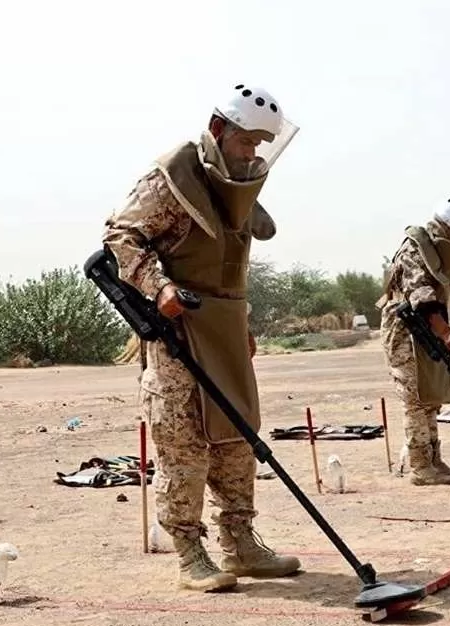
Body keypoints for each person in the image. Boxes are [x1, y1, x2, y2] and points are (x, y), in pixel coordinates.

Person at [102, 83, 301, 592]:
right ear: (218, 130)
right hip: (179, 328)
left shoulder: (235, 183)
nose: (251, 153)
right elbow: (121, 238)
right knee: (183, 442)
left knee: (237, 437)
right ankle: (190, 551)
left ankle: (240, 544)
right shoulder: (173, 178)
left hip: (226, 327)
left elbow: (228, 268)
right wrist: (159, 286)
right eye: (245, 142)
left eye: (260, 144)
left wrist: (242, 323)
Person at [377, 198, 450, 485]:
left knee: (430, 399)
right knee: (415, 400)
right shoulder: (415, 247)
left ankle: (435, 461)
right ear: (448, 226)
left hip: (423, 332)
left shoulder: (432, 249)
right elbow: (421, 296)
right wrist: (446, 332)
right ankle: (420, 467)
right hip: (405, 333)